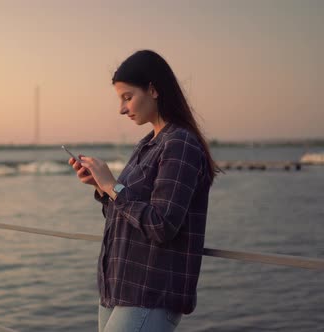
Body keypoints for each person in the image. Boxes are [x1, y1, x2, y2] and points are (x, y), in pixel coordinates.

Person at [68, 50, 220, 332]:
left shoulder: (180, 144)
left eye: (128, 97)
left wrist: (113, 186)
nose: (122, 109)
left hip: (151, 293)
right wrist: (102, 188)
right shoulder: (148, 143)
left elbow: (161, 225)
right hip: (120, 288)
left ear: (153, 89)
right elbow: (129, 213)